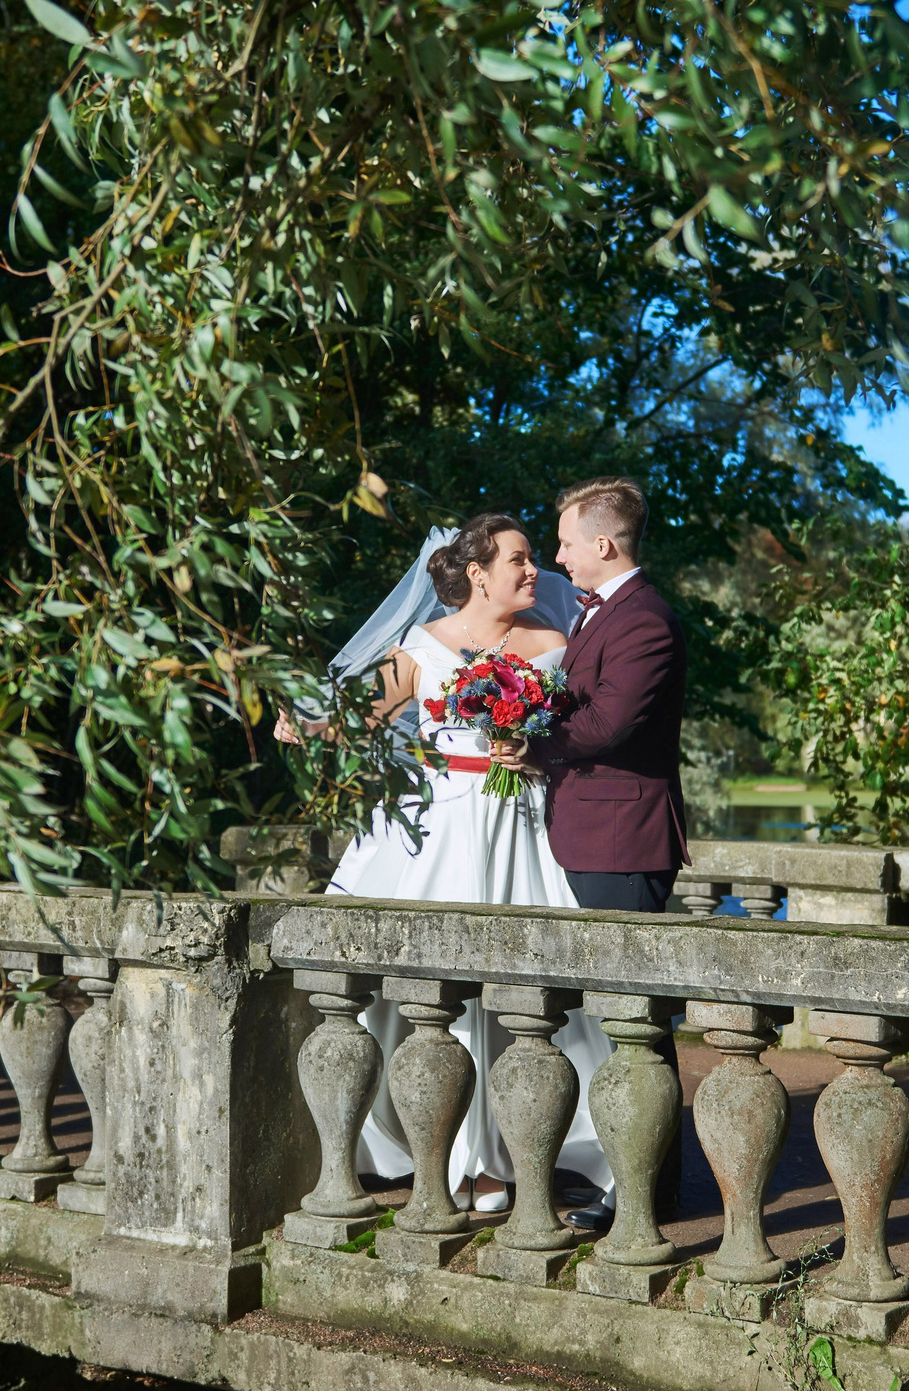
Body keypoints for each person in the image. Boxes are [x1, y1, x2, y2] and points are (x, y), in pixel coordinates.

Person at [292, 513, 614, 1214]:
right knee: (435, 989)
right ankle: (443, 1152)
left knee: (522, 989)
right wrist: (309, 725)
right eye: (520, 560)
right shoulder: (422, 646)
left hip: (519, 820)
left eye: (533, 559)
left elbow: (577, 735)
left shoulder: (554, 644)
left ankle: (503, 1158)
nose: (536, 572)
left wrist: (531, 748)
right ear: (477, 573)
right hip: (440, 821)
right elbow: (359, 717)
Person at [491, 475, 687, 1231]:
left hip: (622, 838)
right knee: (617, 1020)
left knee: (633, 1021)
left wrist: (528, 742)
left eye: (568, 540)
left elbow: (609, 726)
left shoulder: (647, 621)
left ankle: (644, 1193)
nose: (561, 556)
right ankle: (633, 1180)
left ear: (605, 543)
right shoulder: (604, 613)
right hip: (590, 833)